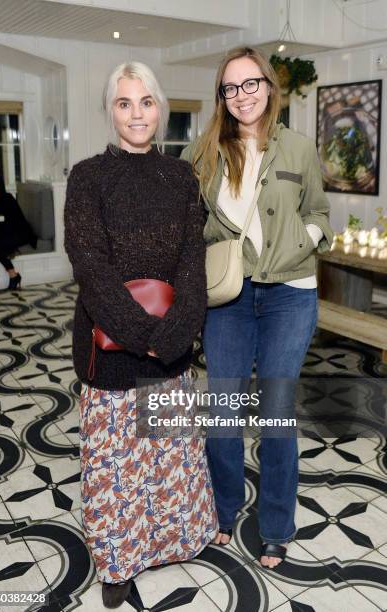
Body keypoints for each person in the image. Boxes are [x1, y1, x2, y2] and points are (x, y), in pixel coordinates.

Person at [64, 61, 217, 608]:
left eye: (146, 102)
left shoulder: (181, 178)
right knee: (117, 466)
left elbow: (192, 267)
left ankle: (172, 543)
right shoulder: (88, 177)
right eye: (124, 103)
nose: (136, 113)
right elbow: (89, 266)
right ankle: (119, 560)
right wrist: (141, 333)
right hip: (110, 350)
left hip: (170, 348)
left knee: (168, 456)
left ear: (160, 108)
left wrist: (173, 335)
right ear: (111, 110)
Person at [181, 46, 333, 569]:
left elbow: (319, 211)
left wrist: (301, 242)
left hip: (290, 293)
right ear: (221, 95)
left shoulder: (298, 148)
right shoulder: (203, 154)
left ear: (270, 87)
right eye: (231, 87)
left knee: (275, 414)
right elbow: (184, 224)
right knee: (223, 412)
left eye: (251, 84)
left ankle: (275, 526)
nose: (242, 96)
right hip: (229, 296)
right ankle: (221, 512)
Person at [0, 174, 36, 290]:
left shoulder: (7, 197)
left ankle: (13, 275)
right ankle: (13, 275)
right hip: (5, 232)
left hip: (20, 233)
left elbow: (1, 214)